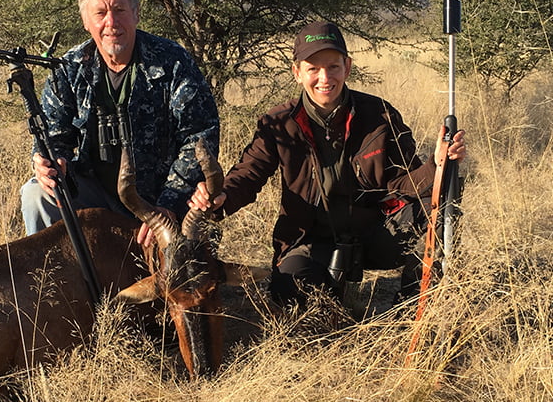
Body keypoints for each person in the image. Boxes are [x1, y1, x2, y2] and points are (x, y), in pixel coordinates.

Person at [189, 21, 466, 307]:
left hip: (375, 232)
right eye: (313, 69)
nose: (324, 78)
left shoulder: (380, 114)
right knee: (292, 295)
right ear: (297, 73)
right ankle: (329, 291)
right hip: (310, 239)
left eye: (333, 67)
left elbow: (404, 183)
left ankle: (413, 307)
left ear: (347, 66)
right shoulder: (278, 123)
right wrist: (221, 197)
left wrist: (437, 164)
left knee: (438, 211)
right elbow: (248, 175)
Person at [19, 0, 219, 245]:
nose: (111, 22)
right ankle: (52, 283)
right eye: (100, 13)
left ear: (136, 14)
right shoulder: (69, 67)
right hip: (98, 196)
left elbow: (200, 138)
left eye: (120, 11)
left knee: (190, 261)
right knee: (36, 194)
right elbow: (54, 137)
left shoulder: (173, 61)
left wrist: (169, 205)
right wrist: (49, 163)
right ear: (85, 21)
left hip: (162, 199)